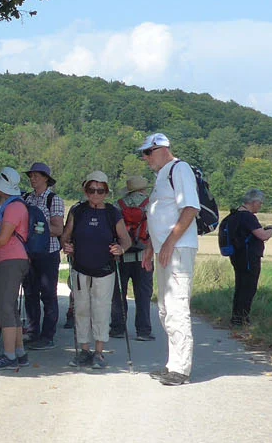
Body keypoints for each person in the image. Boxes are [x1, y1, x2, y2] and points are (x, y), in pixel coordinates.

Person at [140, 133, 200, 386]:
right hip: (166, 249)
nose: (145, 158)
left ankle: (181, 369)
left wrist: (168, 243)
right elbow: (159, 216)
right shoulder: (162, 176)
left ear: (162, 149)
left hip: (177, 249)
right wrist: (150, 247)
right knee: (165, 309)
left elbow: (190, 208)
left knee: (176, 307)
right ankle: (172, 364)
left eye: (148, 152)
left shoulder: (180, 169)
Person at [61, 171, 135, 370]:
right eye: (91, 190)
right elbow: (65, 235)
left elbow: (126, 240)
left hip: (105, 269)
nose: (96, 194)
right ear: (86, 191)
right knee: (81, 310)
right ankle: (84, 351)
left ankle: (99, 353)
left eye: (100, 191)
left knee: (101, 310)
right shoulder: (77, 211)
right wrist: (66, 245)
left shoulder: (112, 213)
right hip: (80, 269)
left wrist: (121, 249)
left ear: (106, 192)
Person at [0, 167, 31, 370]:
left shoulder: (13, 208)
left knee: (5, 308)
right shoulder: (12, 206)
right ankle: (20, 353)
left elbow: (1, 240)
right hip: (13, 260)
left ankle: (9, 356)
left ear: (2, 188)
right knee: (11, 308)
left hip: (11, 260)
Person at [20, 162, 66, 350]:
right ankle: (32, 332)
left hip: (48, 252)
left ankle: (48, 335)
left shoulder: (53, 199)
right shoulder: (25, 198)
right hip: (29, 253)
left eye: (36, 176)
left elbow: (57, 228)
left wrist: (36, 228)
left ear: (46, 178)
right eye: (31, 176)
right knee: (30, 292)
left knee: (48, 294)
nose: (32, 178)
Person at [225, 189, 272, 328]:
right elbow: (263, 236)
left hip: (237, 256)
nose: (260, 206)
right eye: (260, 203)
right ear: (254, 202)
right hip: (249, 258)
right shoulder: (248, 217)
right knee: (249, 288)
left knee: (240, 286)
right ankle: (242, 319)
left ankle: (236, 318)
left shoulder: (234, 214)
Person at [110, 175, 155, 342]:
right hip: (144, 255)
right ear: (143, 189)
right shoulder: (151, 204)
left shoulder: (118, 205)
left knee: (119, 294)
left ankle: (118, 328)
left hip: (121, 256)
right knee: (143, 294)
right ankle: (143, 331)